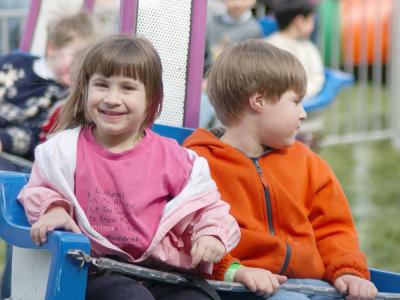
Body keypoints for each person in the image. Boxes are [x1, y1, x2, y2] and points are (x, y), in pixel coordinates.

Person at [17, 34, 240, 300]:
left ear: (151, 98)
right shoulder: (64, 150)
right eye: (101, 85)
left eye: (127, 88)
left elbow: (206, 206)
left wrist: (211, 234)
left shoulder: (173, 157)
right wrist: (54, 209)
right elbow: (39, 187)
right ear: (85, 89)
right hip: (92, 269)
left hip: (159, 271)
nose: (112, 98)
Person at [184, 40, 378, 299]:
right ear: (259, 101)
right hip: (239, 285)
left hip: (311, 283)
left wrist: (348, 271)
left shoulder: (308, 163)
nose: (303, 114)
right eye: (296, 102)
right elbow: (189, 233)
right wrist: (233, 270)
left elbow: (333, 228)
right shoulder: (199, 163)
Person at [0, 10, 95, 170]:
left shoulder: (66, 96)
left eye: (87, 59)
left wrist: (4, 139)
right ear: (52, 49)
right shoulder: (14, 62)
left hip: (13, 158)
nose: (80, 66)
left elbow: (36, 134)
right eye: (77, 56)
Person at [265, 0, 324, 98]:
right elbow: (317, 78)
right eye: (310, 19)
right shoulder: (309, 48)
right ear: (299, 21)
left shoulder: (266, 44)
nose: (313, 23)